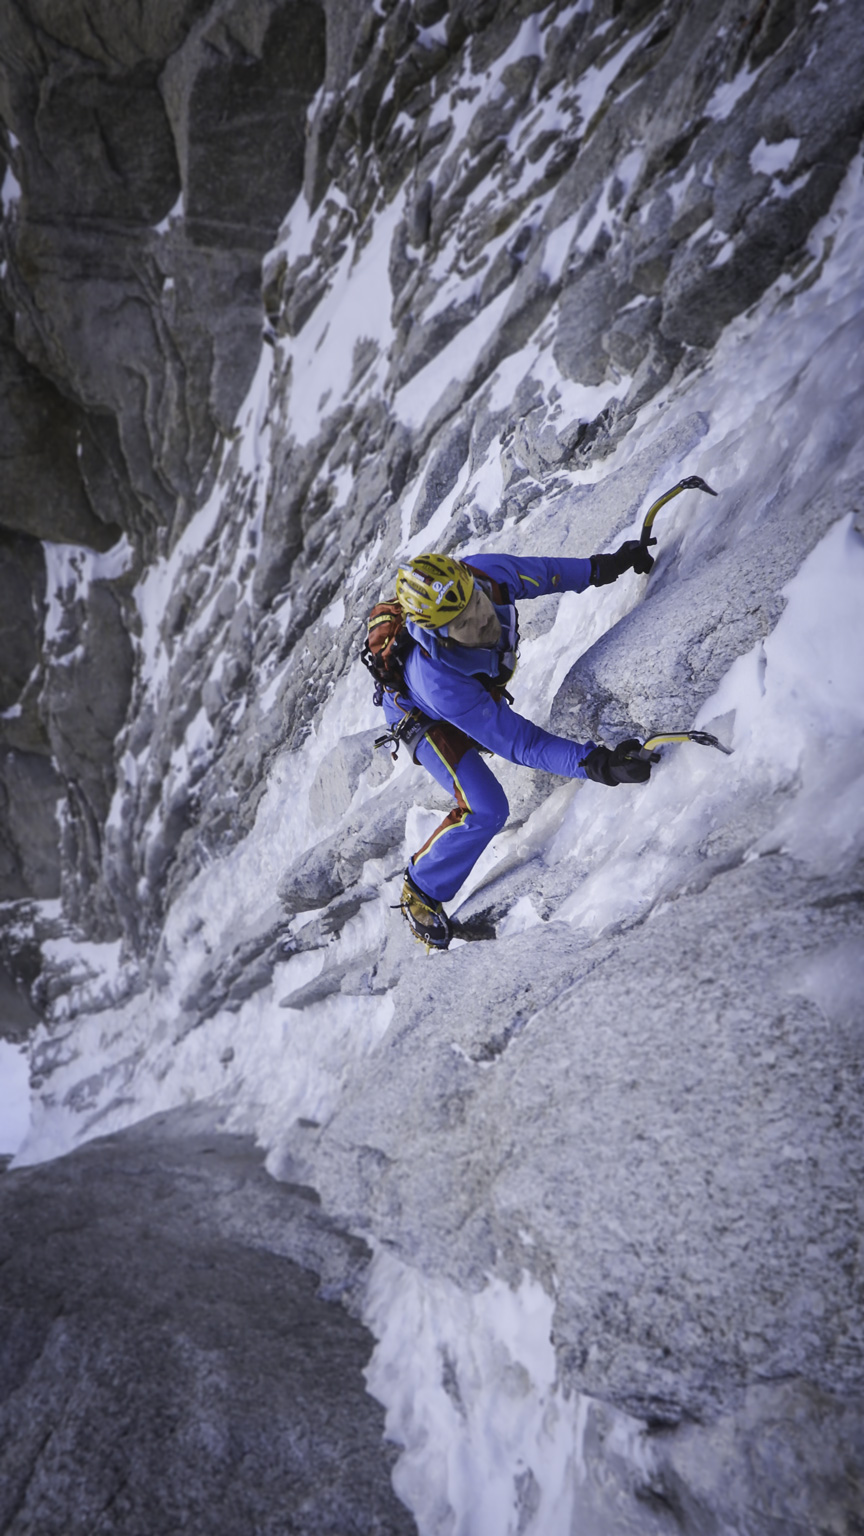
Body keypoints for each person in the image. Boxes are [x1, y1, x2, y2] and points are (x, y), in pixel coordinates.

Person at [380, 540, 655, 948]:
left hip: (466, 694)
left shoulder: (484, 576)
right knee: (487, 807)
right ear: (440, 636)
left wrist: (604, 566)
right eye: (463, 623)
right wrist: (598, 763)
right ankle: (421, 889)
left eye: (476, 601)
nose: (482, 617)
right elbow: (522, 744)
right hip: (421, 718)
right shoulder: (438, 681)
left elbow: (545, 572)